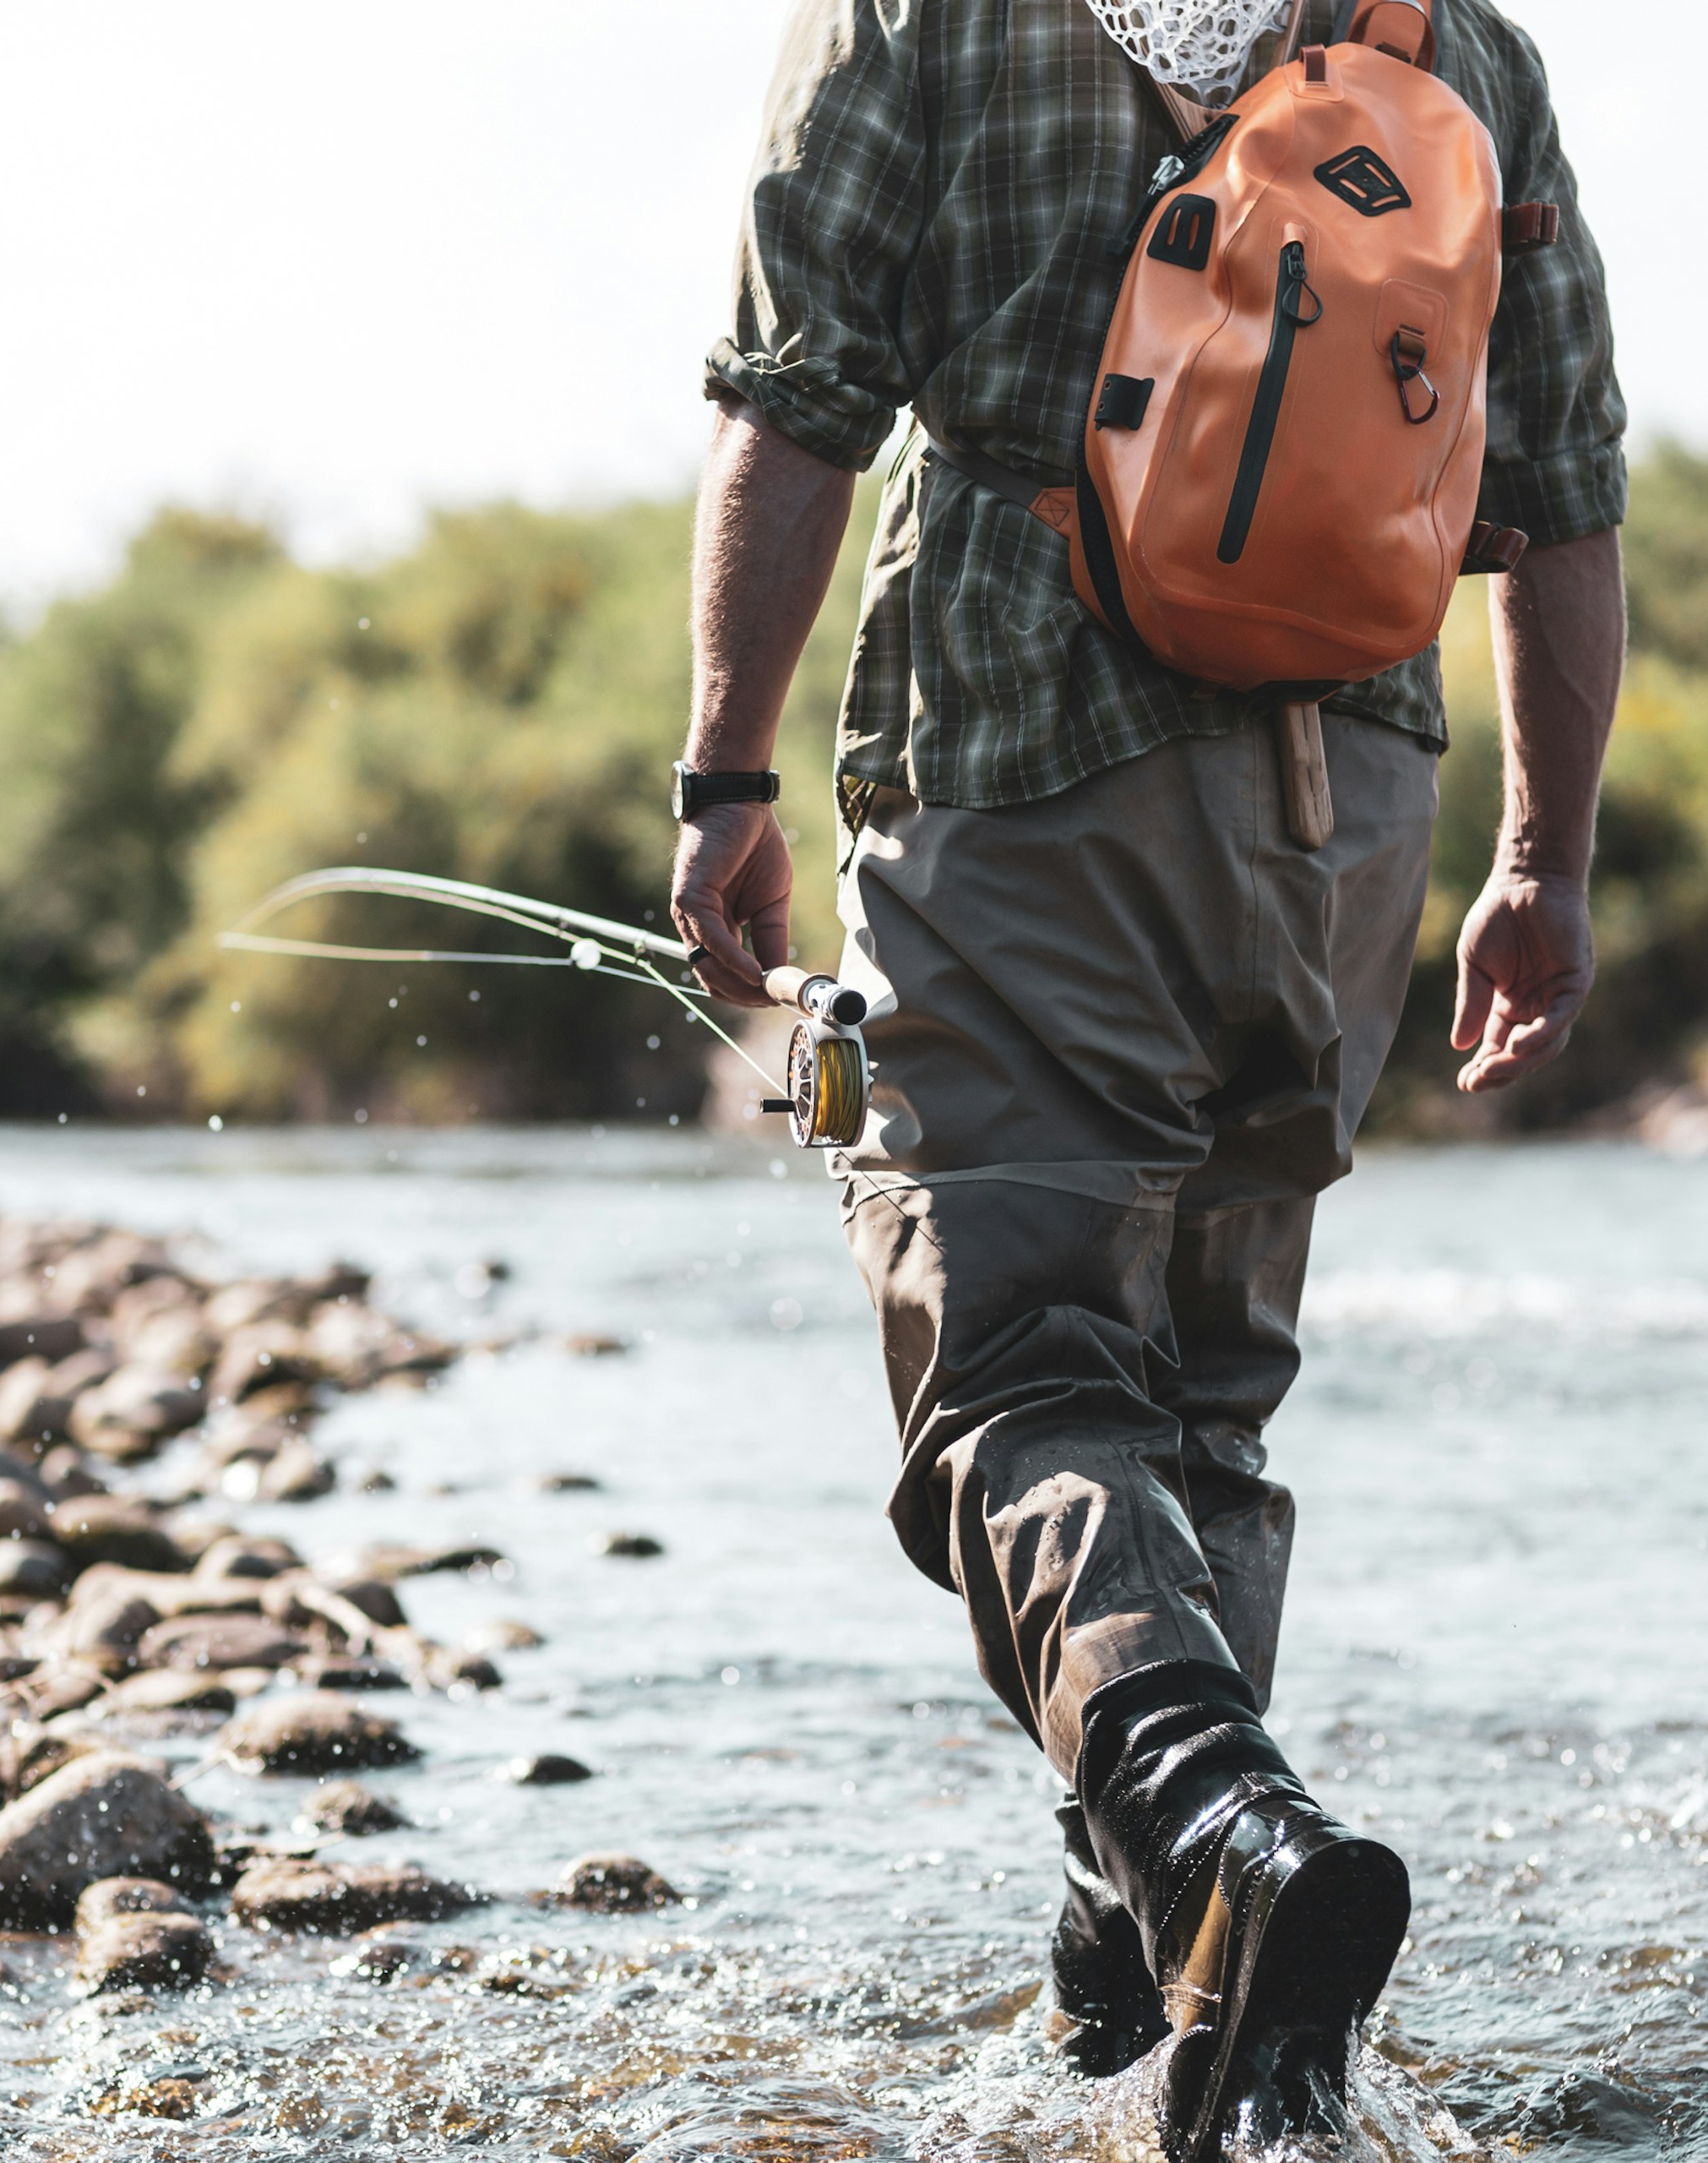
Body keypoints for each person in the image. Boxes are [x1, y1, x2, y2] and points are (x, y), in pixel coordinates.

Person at [666, 2, 1624, 2151]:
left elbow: (794, 394)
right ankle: (1161, 2019)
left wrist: (726, 769)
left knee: (1014, 1375)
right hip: (1347, 817)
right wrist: (1543, 867)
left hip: (1022, 768)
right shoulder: (1459, 35)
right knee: (1204, 1401)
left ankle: (1214, 1835)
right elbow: (1560, 489)